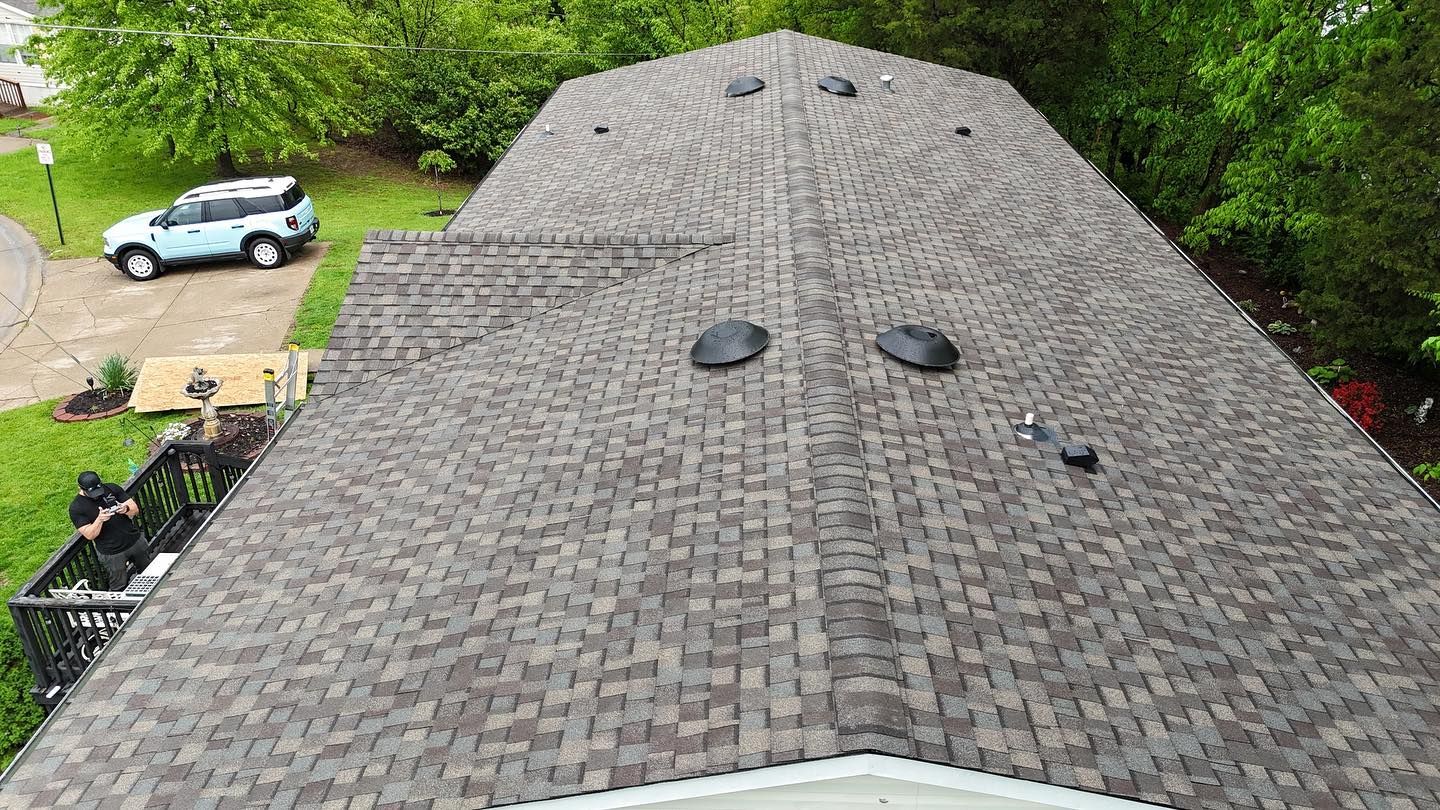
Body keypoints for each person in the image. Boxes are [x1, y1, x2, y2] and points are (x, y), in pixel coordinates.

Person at [69, 471, 151, 591]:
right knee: (119, 584)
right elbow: (89, 534)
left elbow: (135, 509)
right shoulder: (77, 507)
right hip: (112, 552)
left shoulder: (111, 488)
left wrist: (125, 509)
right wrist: (100, 520)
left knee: (148, 571)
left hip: (134, 540)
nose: (96, 495)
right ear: (80, 489)